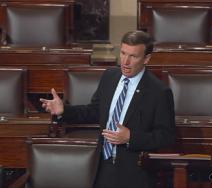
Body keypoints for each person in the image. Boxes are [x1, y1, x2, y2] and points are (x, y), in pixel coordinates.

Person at [40, 30, 176, 188]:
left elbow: (166, 136)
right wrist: (64, 111)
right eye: (123, 53)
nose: (125, 62)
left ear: (146, 59)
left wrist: (131, 137)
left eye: (133, 56)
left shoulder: (158, 92)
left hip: (135, 173)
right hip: (103, 166)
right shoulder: (110, 76)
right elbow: (94, 111)